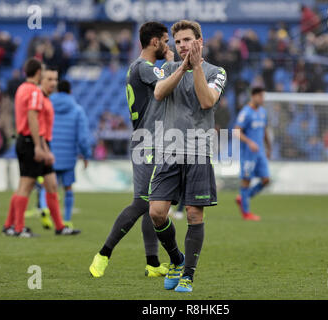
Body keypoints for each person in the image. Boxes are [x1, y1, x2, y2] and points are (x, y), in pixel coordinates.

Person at [89, 22, 173, 279]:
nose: (168, 46)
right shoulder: (144, 68)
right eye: (166, 41)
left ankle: (152, 263)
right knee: (141, 202)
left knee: (154, 202)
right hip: (146, 141)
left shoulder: (141, 68)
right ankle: (103, 254)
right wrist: (172, 62)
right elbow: (170, 83)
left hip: (154, 139)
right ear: (155, 42)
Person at [148, 20, 227, 293]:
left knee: (194, 214)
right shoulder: (167, 68)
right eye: (178, 41)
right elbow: (159, 93)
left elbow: (207, 101)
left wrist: (195, 70)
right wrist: (183, 67)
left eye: (187, 40)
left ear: (199, 41)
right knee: (156, 213)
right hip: (169, 150)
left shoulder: (217, 71)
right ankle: (176, 259)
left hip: (198, 151)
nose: (182, 45)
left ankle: (188, 275)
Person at [1, 59, 80, 237]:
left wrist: (45, 147)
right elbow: (34, 120)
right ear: (40, 76)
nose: (53, 83)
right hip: (31, 142)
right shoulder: (35, 93)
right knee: (26, 185)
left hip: (36, 141)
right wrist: (40, 147)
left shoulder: (24, 89)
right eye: (49, 79)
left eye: (55, 80)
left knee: (51, 184)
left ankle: (59, 227)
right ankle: (17, 228)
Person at [36, 80, 91, 229]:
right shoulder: (77, 110)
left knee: (46, 186)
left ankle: (44, 207)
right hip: (68, 157)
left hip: (50, 154)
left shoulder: (47, 105)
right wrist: (86, 155)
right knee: (68, 188)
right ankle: (66, 220)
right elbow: (83, 138)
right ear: (70, 92)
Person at [234, 87, 271, 221]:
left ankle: (243, 197)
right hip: (248, 153)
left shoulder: (263, 112)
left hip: (260, 152)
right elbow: (236, 131)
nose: (262, 99)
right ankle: (246, 213)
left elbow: (264, 130)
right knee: (246, 181)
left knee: (266, 180)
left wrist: (269, 147)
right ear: (253, 96)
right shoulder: (246, 112)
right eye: (260, 96)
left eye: (263, 96)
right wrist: (249, 142)